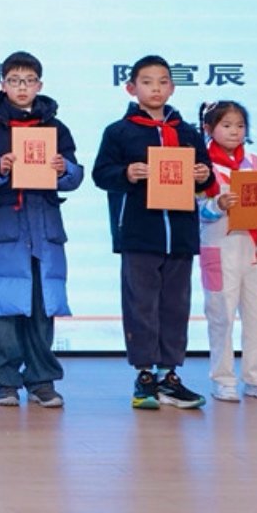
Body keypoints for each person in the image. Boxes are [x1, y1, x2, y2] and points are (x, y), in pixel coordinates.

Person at [0, 51, 82, 408]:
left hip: (43, 232)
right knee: (3, 310)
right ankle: (5, 381)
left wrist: (64, 169)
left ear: (39, 85)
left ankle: (42, 381)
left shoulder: (56, 128)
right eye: (14, 80)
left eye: (28, 81)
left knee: (42, 311)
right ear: (3, 85)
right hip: (2, 233)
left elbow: (75, 175)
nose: (22, 87)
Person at [92, 55, 216, 410]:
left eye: (163, 82)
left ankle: (169, 375)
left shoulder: (188, 132)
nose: (156, 89)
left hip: (180, 234)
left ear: (172, 87)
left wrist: (202, 175)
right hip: (138, 233)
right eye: (147, 82)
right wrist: (127, 173)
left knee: (175, 306)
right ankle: (144, 374)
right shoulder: (119, 131)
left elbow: (206, 176)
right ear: (131, 88)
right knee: (141, 305)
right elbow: (101, 174)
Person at [198, 100, 257, 403]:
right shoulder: (203, 168)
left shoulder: (256, 162)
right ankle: (223, 380)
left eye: (240, 126)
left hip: (256, 248)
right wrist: (217, 205)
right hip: (220, 248)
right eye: (226, 125)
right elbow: (196, 210)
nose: (234, 132)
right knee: (221, 316)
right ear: (209, 129)